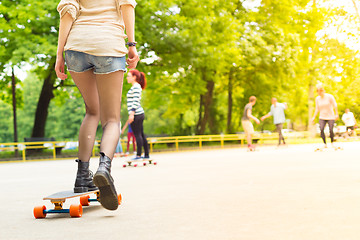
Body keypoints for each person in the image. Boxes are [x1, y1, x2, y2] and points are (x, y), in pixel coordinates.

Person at [55, 0, 139, 211]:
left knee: (92, 111)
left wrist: (59, 55)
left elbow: (67, 12)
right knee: (111, 119)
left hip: (76, 48)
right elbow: (127, 6)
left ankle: (82, 176)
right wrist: (131, 45)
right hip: (108, 44)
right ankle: (104, 169)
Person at [126, 69, 150, 160]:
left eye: (129, 76)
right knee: (141, 134)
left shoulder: (136, 87)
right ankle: (146, 154)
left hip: (136, 114)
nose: (127, 78)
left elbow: (135, 101)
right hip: (138, 113)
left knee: (137, 134)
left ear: (134, 77)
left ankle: (139, 155)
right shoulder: (135, 87)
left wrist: (131, 114)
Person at [311, 84, 339, 149]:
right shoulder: (317, 99)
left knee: (331, 129)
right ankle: (324, 143)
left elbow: (335, 105)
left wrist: (336, 114)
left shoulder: (329, 97)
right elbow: (317, 109)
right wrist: (314, 117)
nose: (319, 93)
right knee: (321, 129)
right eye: (318, 92)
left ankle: (332, 142)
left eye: (320, 91)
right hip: (322, 117)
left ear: (323, 91)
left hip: (330, 116)